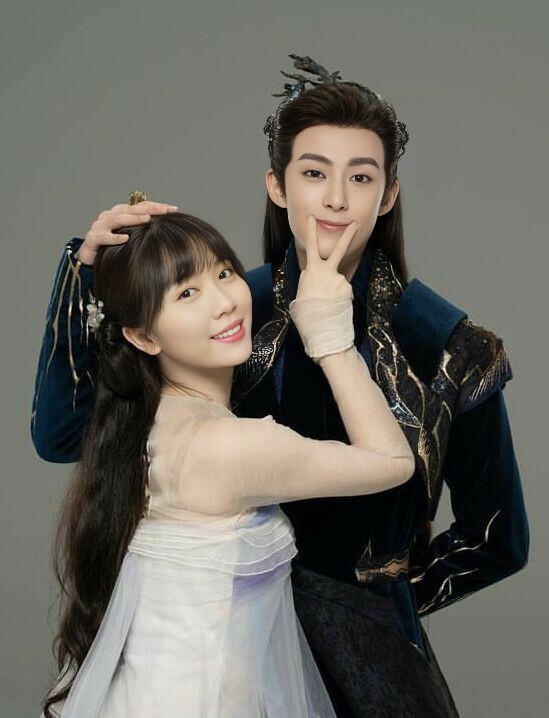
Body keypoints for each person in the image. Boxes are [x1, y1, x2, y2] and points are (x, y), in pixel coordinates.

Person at [31, 56, 530, 716]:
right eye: (313, 173)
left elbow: (496, 540)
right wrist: (83, 273)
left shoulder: (447, 347)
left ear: (387, 194)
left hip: (372, 664)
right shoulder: (231, 314)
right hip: (230, 657)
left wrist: (375, 607)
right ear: (278, 185)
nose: (335, 199)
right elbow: (68, 435)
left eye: (360, 177)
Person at [39, 210, 415, 717]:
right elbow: (392, 461)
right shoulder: (227, 446)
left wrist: (86, 266)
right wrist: (330, 336)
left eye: (223, 272)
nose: (224, 302)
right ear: (143, 338)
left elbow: (58, 431)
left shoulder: (139, 420)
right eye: (186, 294)